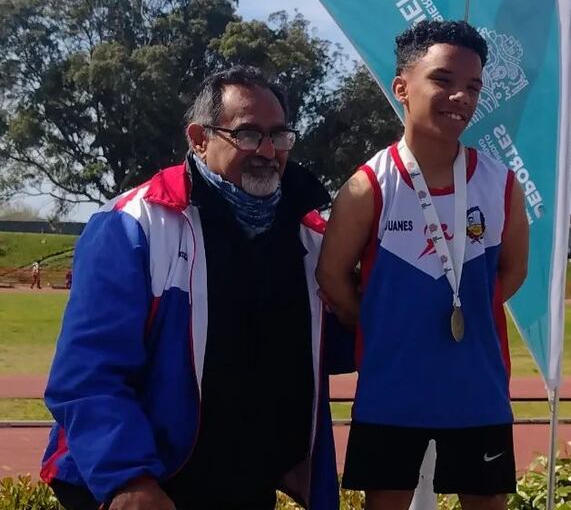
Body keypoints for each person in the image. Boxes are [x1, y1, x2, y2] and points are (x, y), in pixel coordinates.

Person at [41, 66, 352, 510]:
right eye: (247, 134)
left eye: (279, 135)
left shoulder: (311, 236)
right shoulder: (134, 224)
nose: (267, 150)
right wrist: (128, 479)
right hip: (140, 480)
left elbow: (338, 348)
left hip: (243, 479)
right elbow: (88, 372)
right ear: (199, 138)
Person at [317, 20, 529, 510]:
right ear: (402, 88)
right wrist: (376, 320)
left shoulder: (500, 184)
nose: (461, 97)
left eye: (472, 87)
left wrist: (468, 305)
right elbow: (332, 275)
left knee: (487, 503)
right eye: (443, 81)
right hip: (393, 389)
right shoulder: (368, 185)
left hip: (477, 388)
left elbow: (512, 272)